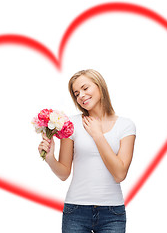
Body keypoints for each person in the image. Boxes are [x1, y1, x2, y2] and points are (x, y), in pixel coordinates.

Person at [38, 69, 136, 233]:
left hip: (112, 213)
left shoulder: (126, 126)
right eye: (76, 93)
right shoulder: (71, 125)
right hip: (76, 211)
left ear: (100, 86)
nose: (81, 96)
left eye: (85, 88)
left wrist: (98, 135)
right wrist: (50, 158)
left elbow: (119, 174)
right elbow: (63, 174)